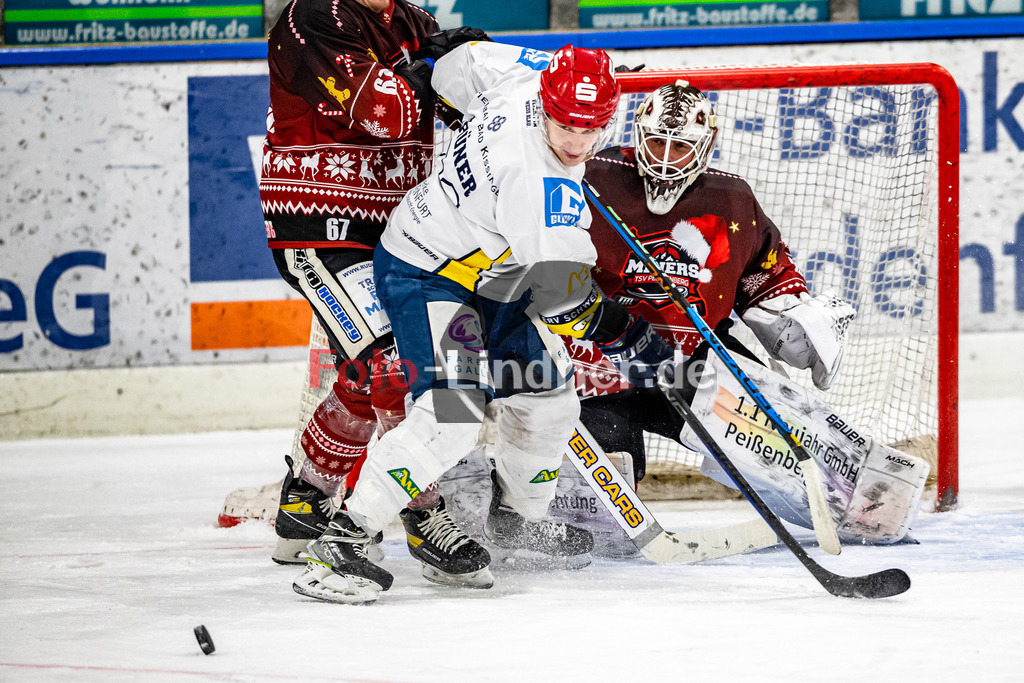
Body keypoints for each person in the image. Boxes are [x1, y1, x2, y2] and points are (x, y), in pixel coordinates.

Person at [291, 41, 653, 604]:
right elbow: (565, 298)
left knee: (549, 400)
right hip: (429, 271)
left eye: (592, 128)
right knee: (452, 418)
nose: (577, 143)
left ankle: (516, 520)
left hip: (492, 272)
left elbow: (457, 62)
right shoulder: (540, 183)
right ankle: (346, 538)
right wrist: (626, 332)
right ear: (548, 106)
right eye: (565, 126)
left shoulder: (526, 72)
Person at [563, 80, 928, 547]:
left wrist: (791, 318)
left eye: (681, 147)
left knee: (788, 433)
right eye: (656, 142)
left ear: (706, 145)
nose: (665, 157)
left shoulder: (732, 200)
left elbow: (763, 273)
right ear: (638, 135)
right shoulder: (589, 177)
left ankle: (870, 504)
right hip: (594, 372)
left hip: (692, 362)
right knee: (600, 529)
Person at [258, 0, 492, 583]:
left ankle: (304, 499)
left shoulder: (410, 19)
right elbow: (385, 110)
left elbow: (457, 106)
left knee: (384, 374)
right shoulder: (310, 17)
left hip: (404, 232)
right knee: (394, 369)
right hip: (321, 228)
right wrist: (428, 65)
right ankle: (424, 515)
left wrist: (478, 70)